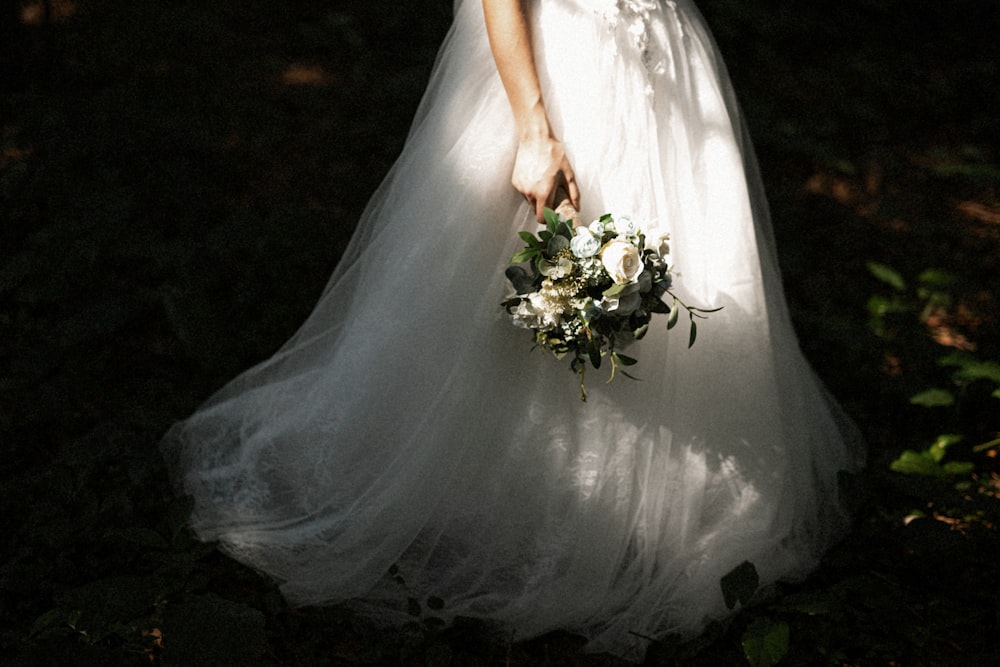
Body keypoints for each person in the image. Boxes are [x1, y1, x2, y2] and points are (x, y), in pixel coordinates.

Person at [162, 0, 863, 660]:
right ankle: (524, 505)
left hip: (660, 60)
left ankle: (653, 505)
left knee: (662, 283)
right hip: (557, 69)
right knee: (533, 289)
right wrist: (533, 128)